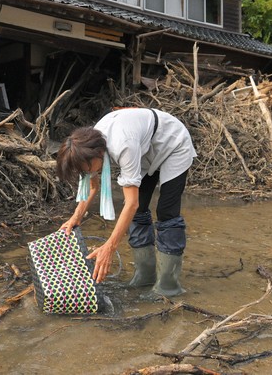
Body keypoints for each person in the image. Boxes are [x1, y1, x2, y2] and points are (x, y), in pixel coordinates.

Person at [57, 107, 196, 299]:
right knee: (139, 214)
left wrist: (110, 247)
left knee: (166, 212)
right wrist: (75, 217)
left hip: (173, 144)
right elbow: (93, 187)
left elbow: (131, 203)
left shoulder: (122, 145)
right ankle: (145, 276)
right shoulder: (89, 145)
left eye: (86, 169)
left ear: (99, 154)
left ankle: (168, 286)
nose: (87, 173)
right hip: (147, 150)